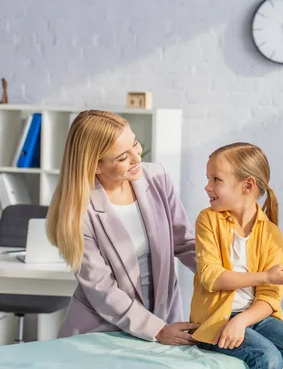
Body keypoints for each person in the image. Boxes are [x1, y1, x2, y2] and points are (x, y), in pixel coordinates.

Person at [47, 110, 199, 345]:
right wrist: (156, 330)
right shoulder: (78, 212)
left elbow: (184, 243)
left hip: (164, 315)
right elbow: (101, 288)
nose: (137, 158)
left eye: (135, 144)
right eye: (121, 157)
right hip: (102, 328)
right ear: (95, 166)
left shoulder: (157, 177)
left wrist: (224, 274)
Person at [190, 142, 283, 369]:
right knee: (267, 357)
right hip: (214, 320)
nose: (207, 187)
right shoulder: (207, 220)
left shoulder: (271, 234)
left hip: (256, 318)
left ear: (247, 185)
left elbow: (270, 298)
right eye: (208, 179)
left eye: (216, 180)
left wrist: (242, 321)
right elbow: (211, 277)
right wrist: (265, 276)